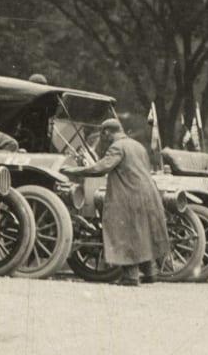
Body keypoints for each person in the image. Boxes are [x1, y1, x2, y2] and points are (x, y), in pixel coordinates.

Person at [60, 117, 170, 286]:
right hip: (148, 193)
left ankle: (131, 277)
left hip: (129, 195)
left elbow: (101, 168)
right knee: (142, 233)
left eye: (103, 134)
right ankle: (150, 273)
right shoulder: (137, 145)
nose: (103, 138)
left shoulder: (117, 146)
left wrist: (73, 170)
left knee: (124, 231)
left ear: (107, 132)